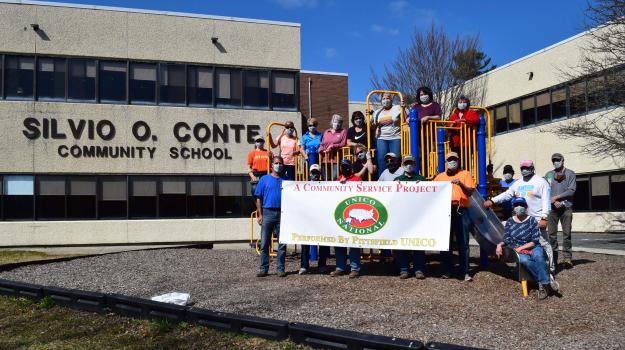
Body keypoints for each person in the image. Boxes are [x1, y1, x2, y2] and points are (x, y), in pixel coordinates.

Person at [484, 160, 554, 273]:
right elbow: (507, 194)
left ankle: (550, 268)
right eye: (522, 168)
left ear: (532, 168)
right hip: (521, 221)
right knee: (521, 245)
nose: (524, 170)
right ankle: (522, 269)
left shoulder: (541, 182)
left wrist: (544, 217)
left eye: (526, 168)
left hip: (537, 220)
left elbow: (546, 201)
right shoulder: (518, 183)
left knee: (543, 244)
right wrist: (493, 201)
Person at [496, 197, 560, 300]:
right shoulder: (510, 221)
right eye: (516, 205)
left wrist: (521, 248)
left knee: (538, 256)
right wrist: (499, 245)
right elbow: (507, 239)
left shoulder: (532, 220)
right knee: (525, 261)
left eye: (521, 205)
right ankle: (546, 282)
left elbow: (534, 241)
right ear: (513, 207)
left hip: (533, 246)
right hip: (518, 249)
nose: (519, 207)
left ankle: (543, 284)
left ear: (526, 207)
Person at [434, 151, 475, 281]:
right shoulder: (440, 177)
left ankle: (465, 271)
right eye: (449, 159)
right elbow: (431, 190)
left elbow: (470, 192)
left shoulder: (465, 174)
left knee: (463, 242)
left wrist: (461, 184)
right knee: (446, 242)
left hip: (461, 210)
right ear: (446, 162)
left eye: (454, 159)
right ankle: (447, 270)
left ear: (458, 160)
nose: (452, 161)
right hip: (445, 210)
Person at [394, 155, 427, 279]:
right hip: (402, 217)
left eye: (411, 163)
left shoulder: (421, 179)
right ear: (403, 165)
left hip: (417, 217)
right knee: (402, 244)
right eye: (407, 163)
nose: (409, 165)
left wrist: (423, 186)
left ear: (414, 164)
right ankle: (404, 269)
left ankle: (419, 269)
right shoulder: (397, 179)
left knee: (417, 244)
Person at [255, 156, 287, 278]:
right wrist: (260, 214)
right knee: (264, 243)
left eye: (280, 163)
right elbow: (258, 198)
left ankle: (280, 269)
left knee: (282, 244)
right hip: (267, 213)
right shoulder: (264, 179)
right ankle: (263, 268)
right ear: (272, 165)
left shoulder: (286, 181)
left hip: (282, 214)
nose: (278, 165)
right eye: (276, 163)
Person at [545, 153, 576, 269]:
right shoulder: (549, 174)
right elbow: (545, 191)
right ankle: (553, 259)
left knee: (567, 234)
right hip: (552, 209)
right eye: (553, 160)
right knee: (551, 235)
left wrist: (557, 198)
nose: (555, 162)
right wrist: (553, 201)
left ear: (563, 160)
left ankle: (567, 258)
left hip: (566, 208)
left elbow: (571, 190)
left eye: (558, 160)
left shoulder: (570, 174)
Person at [331, 159, 362, 278]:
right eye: (342, 166)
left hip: (353, 214)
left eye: (346, 166)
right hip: (341, 215)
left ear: (351, 168)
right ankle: (340, 267)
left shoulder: (357, 180)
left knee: (354, 243)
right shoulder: (337, 180)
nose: (344, 169)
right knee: (339, 243)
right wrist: (340, 184)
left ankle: (355, 268)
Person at [299, 164, 323, 275]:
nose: (315, 175)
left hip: (320, 218)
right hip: (307, 218)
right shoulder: (304, 186)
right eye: (313, 172)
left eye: (317, 172)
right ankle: (304, 266)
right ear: (309, 174)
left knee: (323, 242)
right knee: (305, 242)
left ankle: (322, 265)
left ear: (320, 174)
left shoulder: (325, 186)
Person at [372, 93, 402, 176]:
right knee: (381, 159)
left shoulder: (397, 108)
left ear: (391, 99)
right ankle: (382, 178)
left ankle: (396, 177)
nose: (385, 100)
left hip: (395, 137)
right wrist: (376, 125)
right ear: (381, 101)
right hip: (382, 138)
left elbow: (404, 119)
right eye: (383, 99)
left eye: (387, 98)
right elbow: (373, 125)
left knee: (396, 158)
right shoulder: (377, 112)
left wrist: (403, 108)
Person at [317, 114, 347, 180]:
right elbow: (322, 143)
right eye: (335, 121)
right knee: (326, 178)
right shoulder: (326, 132)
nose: (337, 124)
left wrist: (333, 146)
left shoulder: (343, 131)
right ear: (332, 122)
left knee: (335, 177)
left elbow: (343, 143)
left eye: (339, 122)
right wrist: (320, 148)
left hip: (336, 159)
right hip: (325, 159)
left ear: (341, 123)